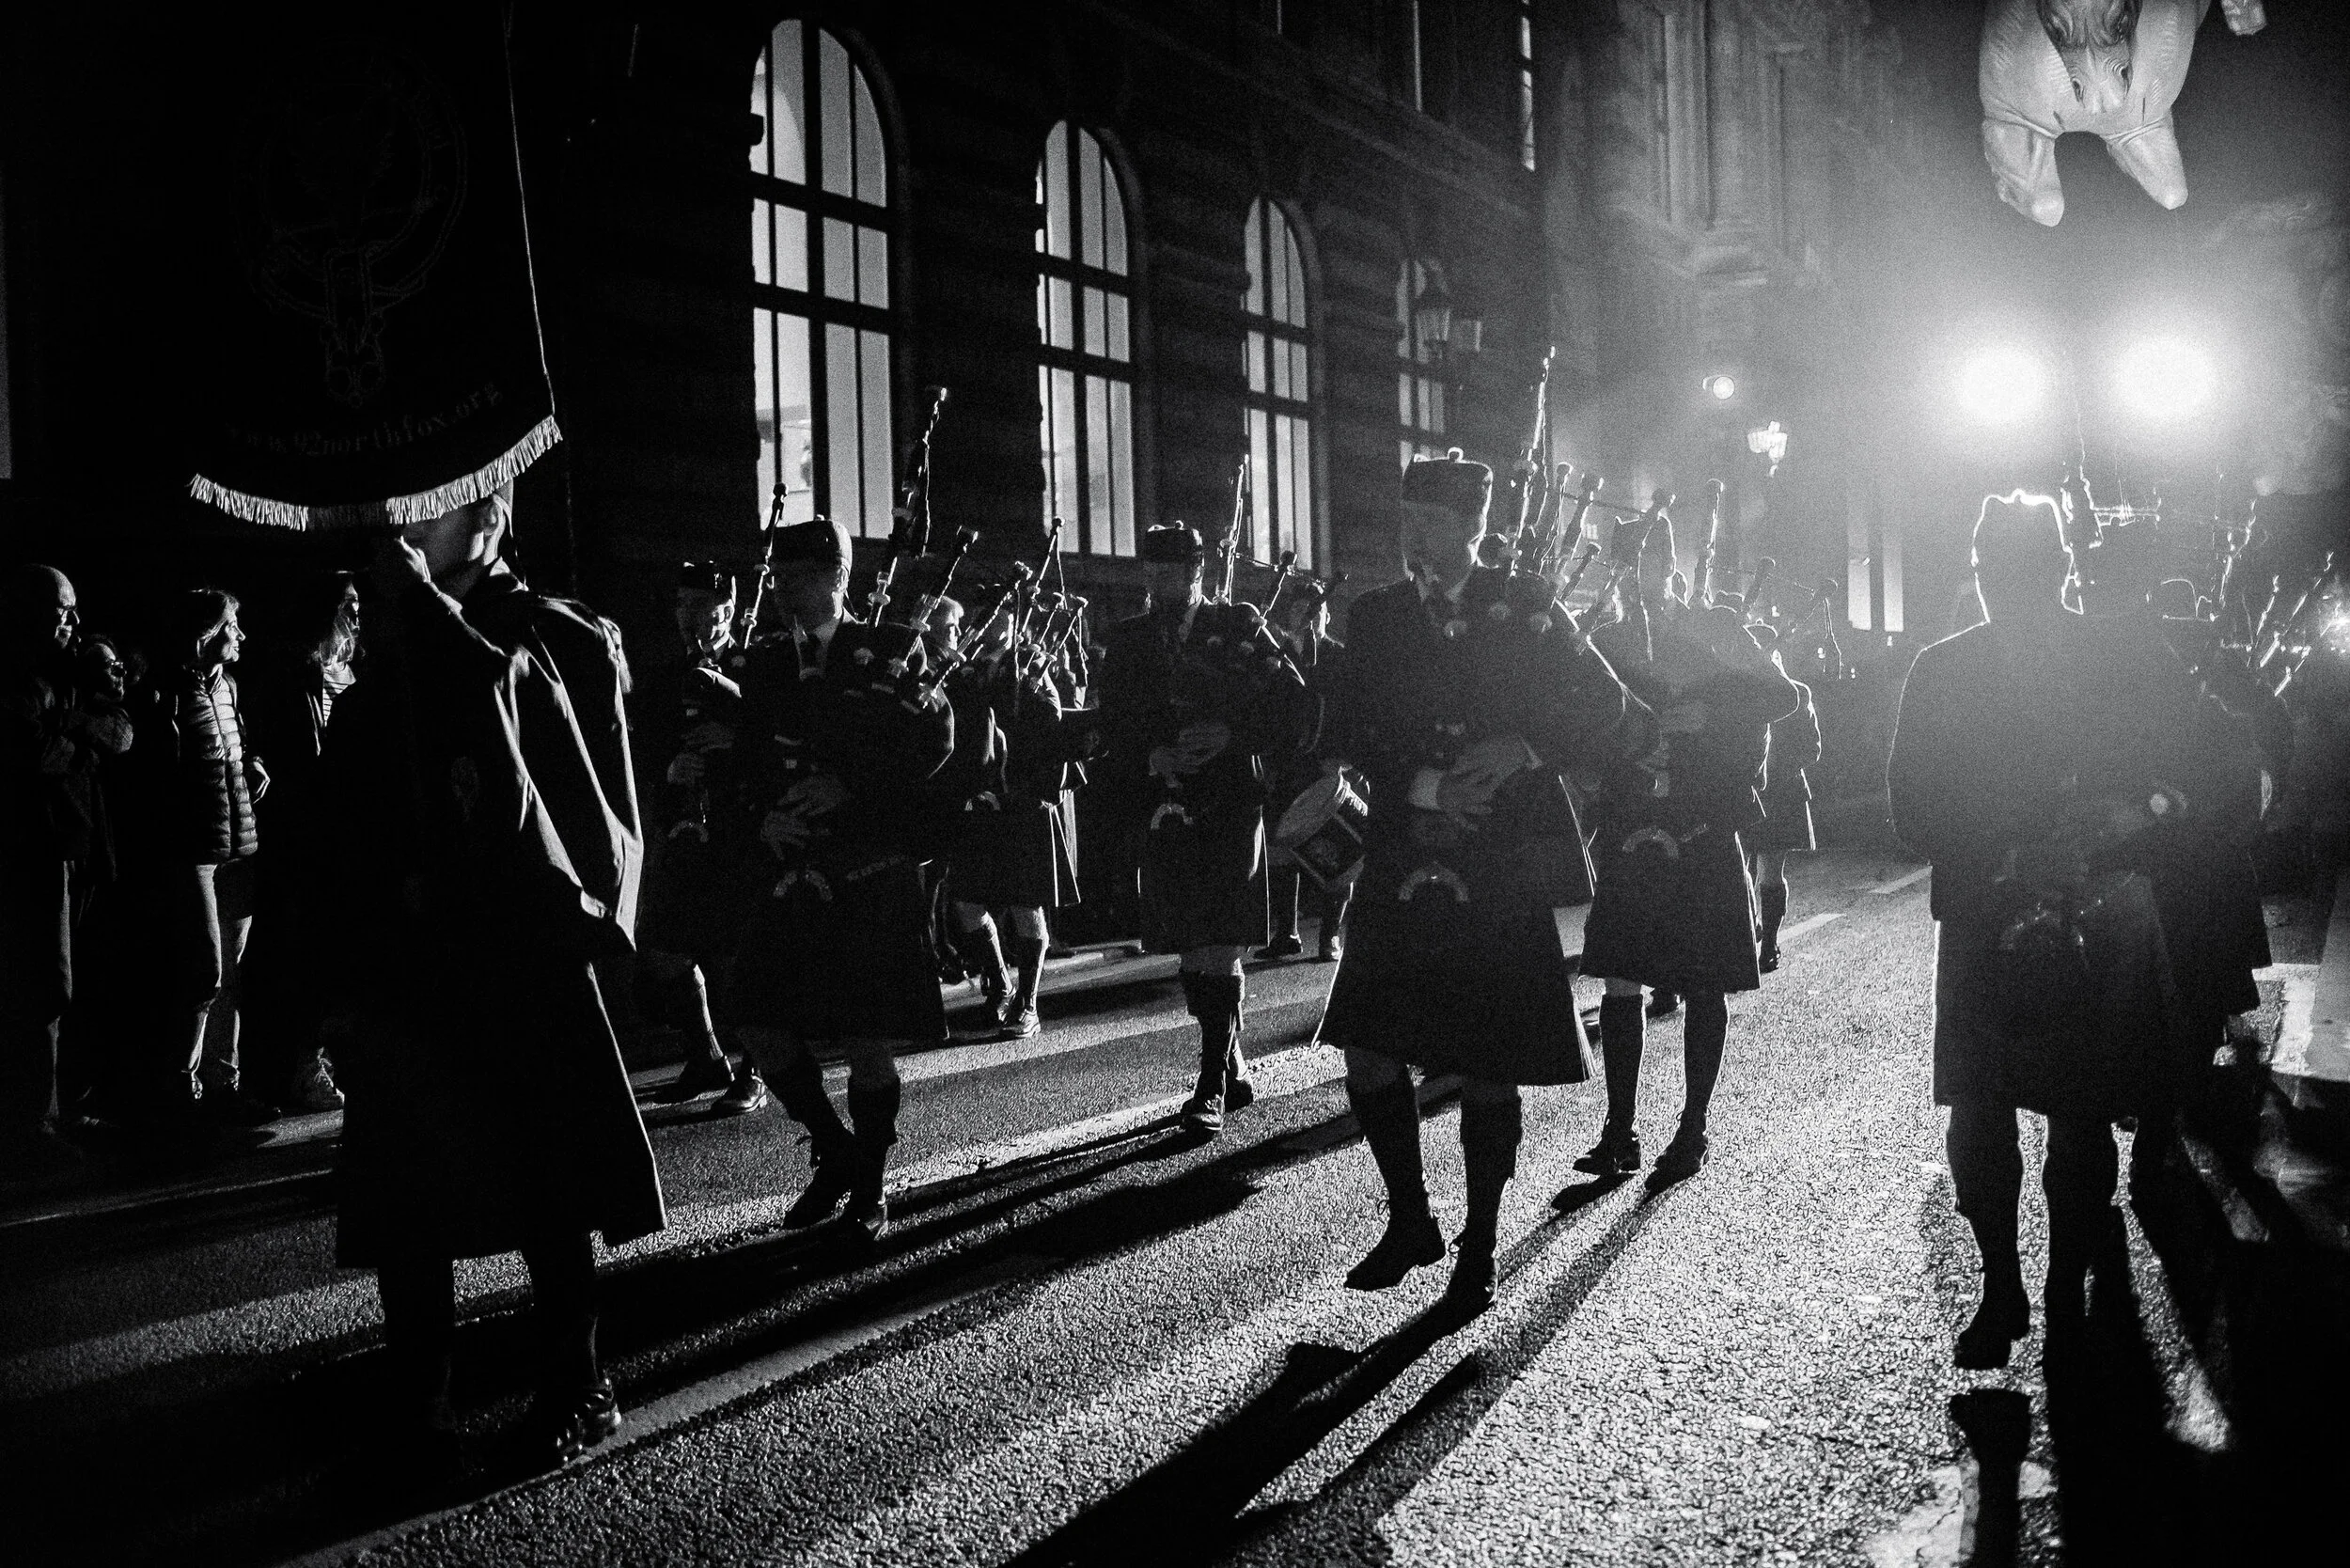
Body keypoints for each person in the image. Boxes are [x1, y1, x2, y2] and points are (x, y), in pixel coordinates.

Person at [323, 486, 664, 1469]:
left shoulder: (552, 629)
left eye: (433, 509)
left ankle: (577, 1382)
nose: (406, 528)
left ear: (490, 522)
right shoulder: (392, 625)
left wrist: (423, 611)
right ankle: (417, 1402)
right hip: (411, 952)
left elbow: (523, 740)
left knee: (544, 1182)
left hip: (520, 950)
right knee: (406, 1192)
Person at [1888, 491, 2258, 1370]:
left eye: (2017, 567)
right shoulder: (1948, 668)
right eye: (1991, 569)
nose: (2001, 584)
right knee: (1991, 1116)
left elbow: (2212, 764)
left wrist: (2140, 811)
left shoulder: (2117, 654)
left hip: (2088, 913)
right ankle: (2009, 1284)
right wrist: (2019, 849)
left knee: (2067, 1115)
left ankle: (2050, 1287)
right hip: (1997, 913)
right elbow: (1912, 808)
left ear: (2058, 567)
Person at [1319, 453, 1662, 1314]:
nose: (1415, 536)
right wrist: (1423, 785)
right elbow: (1349, 725)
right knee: (1368, 1041)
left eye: (1433, 520)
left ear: (1473, 526)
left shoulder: (1528, 607)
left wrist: (1527, 748)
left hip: (1501, 859)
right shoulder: (1378, 617)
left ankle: (1480, 1241)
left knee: (1488, 1057)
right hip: (1404, 848)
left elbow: (1612, 711)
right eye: (1408, 518)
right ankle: (1410, 1218)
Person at [728, 518, 954, 1243]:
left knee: (864, 1038)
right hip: (791, 867)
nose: (782, 591)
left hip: (869, 867)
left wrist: (850, 788)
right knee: (758, 1021)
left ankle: (871, 1184)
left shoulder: (891, 649)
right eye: (777, 578)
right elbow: (744, 759)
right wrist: (762, 818)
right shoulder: (763, 662)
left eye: (796, 577)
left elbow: (935, 738)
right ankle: (835, 1149)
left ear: (835, 576)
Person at [1581, 517, 1797, 1186]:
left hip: (1704, 821)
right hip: (1634, 827)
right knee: (1623, 979)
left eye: (1648, 562)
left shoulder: (1716, 628)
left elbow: (1781, 697)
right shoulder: (1607, 643)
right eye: (1626, 565)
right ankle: (1620, 1129)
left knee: (1705, 980)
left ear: (1670, 566)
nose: (1637, 577)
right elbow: (1578, 726)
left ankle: (1693, 1128)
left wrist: (1710, 709)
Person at [1096, 525, 1309, 1136]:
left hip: (1230, 803)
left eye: (1169, 572)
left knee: (1219, 940)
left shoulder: (1239, 625)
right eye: (1151, 572)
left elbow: (1293, 705)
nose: (1157, 583)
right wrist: (1150, 756)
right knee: (1192, 947)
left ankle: (1209, 1083)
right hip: (1166, 807)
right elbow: (1113, 722)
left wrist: (1232, 736)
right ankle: (1231, 1057)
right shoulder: (1130, 639)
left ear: (1197, 570)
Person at [640, 563, 769, 1116]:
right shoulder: (665, 675)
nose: (689, 617)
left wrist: (735, 737)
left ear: (728, 611)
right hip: (684, 826)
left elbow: (785, 739)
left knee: (738, 956)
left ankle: (754, 1069)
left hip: (740, 826)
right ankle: (707, 1056)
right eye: (682, 605)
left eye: (702, 607)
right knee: (665, 948)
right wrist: (668, 767)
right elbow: (639, 741)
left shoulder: (758, 665)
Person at [151, 588, 274, 1125]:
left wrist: (254, 763)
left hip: (239, 847)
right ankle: (183, 1085)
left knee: (235, 975)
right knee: (205, 973)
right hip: (195, 849)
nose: (240, 634)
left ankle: (226, 1082)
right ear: (205, 634)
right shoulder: (167, 693)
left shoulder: (230, 687)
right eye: (231, 625)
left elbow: (238, 743)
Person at [240, 574, 361, 1114]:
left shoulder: (351, 668)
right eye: (348, 605)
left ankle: (321, 1062)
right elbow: (283, 744)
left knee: (336, 955)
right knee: (300, 953)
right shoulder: (295, 670)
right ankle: (295, 1068)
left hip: (343, 823)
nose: (356, 615)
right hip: (306, 827)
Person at [937, 595, 1081, 1041]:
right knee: (966, 904)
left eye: (1001, 613)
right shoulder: (968, 667)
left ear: (1014, 621)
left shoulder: (1033, 664)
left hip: (1022, 802)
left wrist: (1022, 690)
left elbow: (1051, 723)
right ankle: (1000, 984)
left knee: (1025, 905)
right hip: (980, 802)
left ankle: (1028, 1003)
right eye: (988, 612)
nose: (992, 620)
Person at [0, 565, 101, 1178]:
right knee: (41, 987)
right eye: (63, 611)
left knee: (53, 986)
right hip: (27, 854)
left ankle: (47, 1112)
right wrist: (78, 742)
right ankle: (30, 1126)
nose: (74, 623)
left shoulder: (50, 681)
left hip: (53, 850)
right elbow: (32, 751)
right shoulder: (19, 681)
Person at [1260, 593, 1353, 964]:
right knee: (1282, 848)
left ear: (1327, 616)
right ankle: (1287, 932)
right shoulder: (1277, 655)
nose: (1311, 618)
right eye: (1302, 610)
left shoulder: (1341, 657)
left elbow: (1353, 712)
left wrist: (1344, 758)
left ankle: (1330, 935)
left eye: (1318, 611)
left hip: (1326, 764)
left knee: (1338, 848)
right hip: (1285, 764)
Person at [1746, 629, 1820, 973]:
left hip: (1773, 792)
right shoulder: (1796, 693)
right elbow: (1812, 750)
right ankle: (1760, 937)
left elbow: (1812, 749)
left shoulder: (1796, 693)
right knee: (1759, 873)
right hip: (1764, 791)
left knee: (1764, 873)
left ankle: (1767, 941)